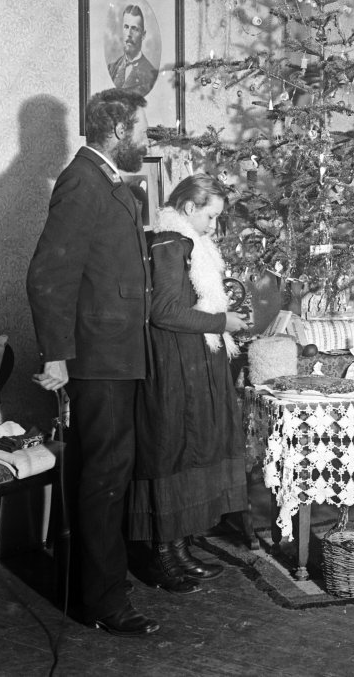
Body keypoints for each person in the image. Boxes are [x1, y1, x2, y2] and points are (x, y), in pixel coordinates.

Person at [27, 89, 158, 636]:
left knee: (107, 474)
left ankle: (94, 588)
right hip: (98, 360)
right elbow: (47, 276)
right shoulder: (82, 183)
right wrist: (56, 355)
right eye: (141, 129)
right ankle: (104, 602)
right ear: (117, 130)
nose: (146, 139)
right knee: (104, 477)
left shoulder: (104, 181)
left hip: (117, 354)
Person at [127, 175, 251, 593]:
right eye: (211, 216)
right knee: (172, 450)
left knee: (188, 449)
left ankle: (178, 550)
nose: (215, 225)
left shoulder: (189, 245)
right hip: (174, 364)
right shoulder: (170, 244)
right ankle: (161, 557)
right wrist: (222, 322)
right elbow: (163, 312)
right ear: (187, 208)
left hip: (191, 361)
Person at [108, 4, 159, 95]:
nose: (129, 34)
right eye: (126, 27)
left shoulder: (151, 75)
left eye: (134, 29)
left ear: (143, 35)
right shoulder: (112, 69)